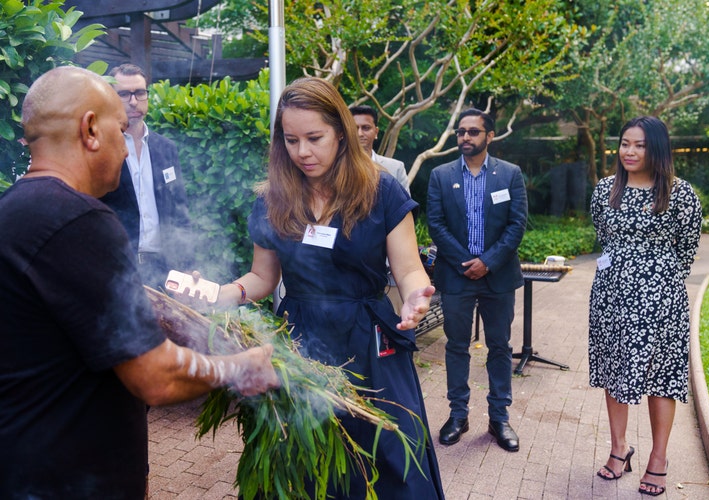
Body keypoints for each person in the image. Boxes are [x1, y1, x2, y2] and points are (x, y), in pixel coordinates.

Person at [0, 66, 279, 499]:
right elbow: (155, 378)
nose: (128, 151)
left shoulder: (14, 209)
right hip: (70, 479)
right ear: (90, 129)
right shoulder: (83, 220)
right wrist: (239, 366)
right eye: (119, 128)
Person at [211, 77, 444, 499]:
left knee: (391, 457)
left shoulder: (380, 190)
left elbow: (409, 269)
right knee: (300, 463)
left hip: (368, 341)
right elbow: (263, 277)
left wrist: (415, 294)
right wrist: (224, 293)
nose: (303, 152)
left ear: (341, 130)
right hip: (299, 342)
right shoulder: (272, 199)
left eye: (314, 138)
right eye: (291, 140)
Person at [588, 116, 702, 497]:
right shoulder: (606, 189)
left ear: (657, 149)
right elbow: (603, 235)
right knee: (613, 370)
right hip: (611, 296)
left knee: (662, 376)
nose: (630, 151)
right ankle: (619, 448)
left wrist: (656, 277)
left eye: (639, 145)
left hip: (661, 299)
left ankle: (659, 458)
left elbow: (686, 249)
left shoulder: (679, 193)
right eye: (624, 143)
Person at [426, 108, 527, 451]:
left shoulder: (510, 174)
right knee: (456, 346)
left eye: (472, 132)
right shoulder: (440, 175)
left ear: (489, 136)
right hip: (456, 276)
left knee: (499, 347)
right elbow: (435, 224)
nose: (465, 137)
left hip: (497, 277)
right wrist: (465, 262)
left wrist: (488, 262)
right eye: (460, 132)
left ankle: (499, 418)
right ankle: (458, 415)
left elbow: (517, 224)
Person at [100, 63, 192, 288]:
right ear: (112, 98)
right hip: (117, 269)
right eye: (124, 94)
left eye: (139, 93)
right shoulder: (101, 147)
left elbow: (180, 210)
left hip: (164, 269)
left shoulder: (166, 148)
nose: (133, 101)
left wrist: (188, 266)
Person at [350, 104, 411, 193]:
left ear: (376, 132)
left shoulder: (396, 168)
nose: (360, 133)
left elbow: (406, 205)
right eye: (354, 128)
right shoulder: (334, 168)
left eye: (366, 128)